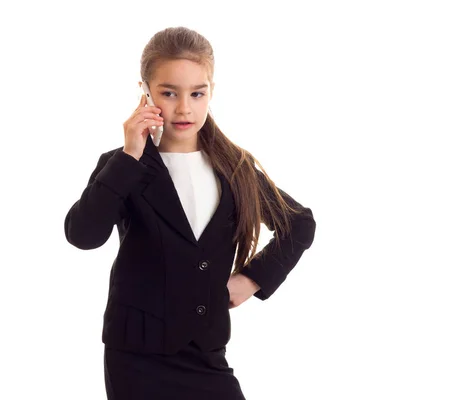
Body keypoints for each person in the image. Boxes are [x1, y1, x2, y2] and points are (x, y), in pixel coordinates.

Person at [64, 26, 316, 400]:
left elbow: (299, 222)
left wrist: (252, 279)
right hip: (137, 356)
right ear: (145, 92)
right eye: (169, 93)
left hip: (206, 353)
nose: (184, 108)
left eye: (197, 93)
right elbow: (83, 235)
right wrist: (129, 155)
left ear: (211, 92)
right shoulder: (123, 166)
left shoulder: (235, 168)